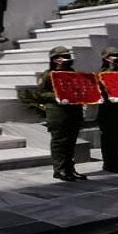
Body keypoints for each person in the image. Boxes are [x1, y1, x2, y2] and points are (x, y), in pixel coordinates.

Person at [37, 46, 86, 181]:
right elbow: (41, 93)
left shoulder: (72, 73)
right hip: (58, 112)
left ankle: (70, 168)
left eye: (67, 56)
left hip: (74, 111)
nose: (66, 59)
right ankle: (59, 170)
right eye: (63, 56)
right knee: (60, 142)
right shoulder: (47, 74)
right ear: (55, 59)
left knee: (71, 141)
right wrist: (57, 97)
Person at [97, 47, 118, 173]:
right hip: (108, 111)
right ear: (106, 58)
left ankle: (117, 162)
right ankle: (109, 164)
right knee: (109, 140)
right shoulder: (100, 73)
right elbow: (98, 92)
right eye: (115, 55)